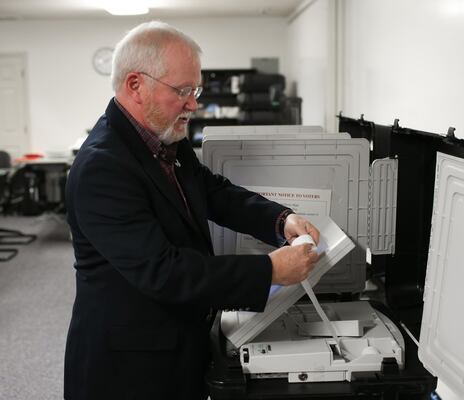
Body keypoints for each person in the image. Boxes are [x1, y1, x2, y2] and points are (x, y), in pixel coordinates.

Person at [64, 21, 320, 400]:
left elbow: (212, 192)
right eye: (182, 90)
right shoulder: (102, 167)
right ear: (135, 85)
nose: (193, 104)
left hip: (178, 339)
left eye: (194, 90)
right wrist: (271, 270)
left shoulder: (164, 136)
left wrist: (280, 220)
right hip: (130, 366)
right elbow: (164, 271)